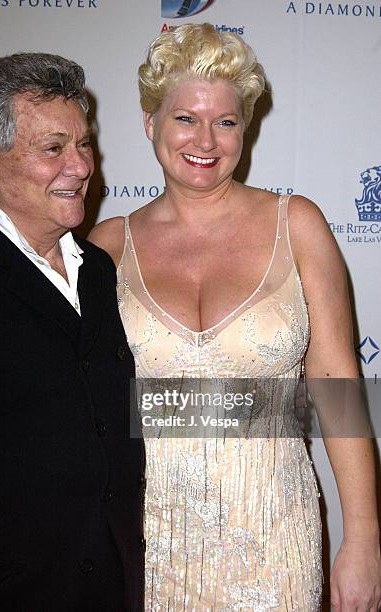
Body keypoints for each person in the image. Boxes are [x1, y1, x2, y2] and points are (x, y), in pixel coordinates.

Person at [89, 24, 381, 611]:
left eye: (225, 121)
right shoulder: (106, 246)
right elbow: (86, 411)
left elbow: (336, 384)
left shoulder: (296, 223)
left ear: (244, 131)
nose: (206, 138)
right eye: (184, 118)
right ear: (151, 124)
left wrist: (365, 541)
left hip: (277, 539)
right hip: (148, 545)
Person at [0, 53, 144, 611]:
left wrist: (288, 410)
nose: (81, 165)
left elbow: (111, 412)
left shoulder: (97, 270)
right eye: (53, 148)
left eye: (84, 144)